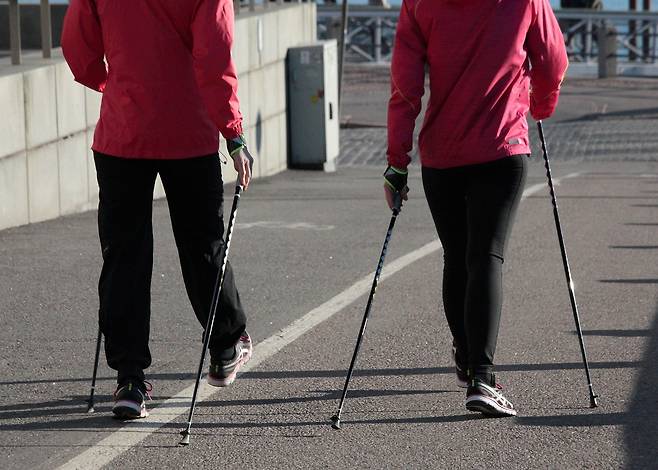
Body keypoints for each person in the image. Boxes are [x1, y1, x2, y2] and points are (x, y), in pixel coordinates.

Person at [61, 0, 254, 419]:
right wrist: (234, 133)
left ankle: (129, 380)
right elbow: (214, 58)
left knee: (124, 256)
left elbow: (78, 48)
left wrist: (113, 83)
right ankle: (225, 344)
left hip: (123, 132)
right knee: (202, 245)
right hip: (189, 134)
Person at [383, 0, 568, 416]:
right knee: (485, 255)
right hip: (503, 147)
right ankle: (482, 377)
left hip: (442, 155)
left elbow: (405, 85)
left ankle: (468, 360)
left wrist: (397, 162)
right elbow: (553, 61)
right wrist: (541, 105)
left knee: (457, 256)